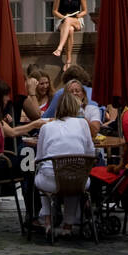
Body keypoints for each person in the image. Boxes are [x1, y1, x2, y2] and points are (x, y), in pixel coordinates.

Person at [33, 90, 95, 235]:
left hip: (51, 181)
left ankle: (47, 221)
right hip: (78, 181)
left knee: (41, 175)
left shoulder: (46, 127)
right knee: (74, 177)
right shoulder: (83, 124)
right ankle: (68, 225)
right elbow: (90, 152)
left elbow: (39, 157)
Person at [51, 0, 88, 68]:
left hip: (76, 20)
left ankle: (59, 48)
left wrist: (80, 15)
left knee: (69, 22)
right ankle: (68, 61)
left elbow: (85, 11)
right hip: (62, 20)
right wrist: (63, 17)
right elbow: (54, 11)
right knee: (70, 30)